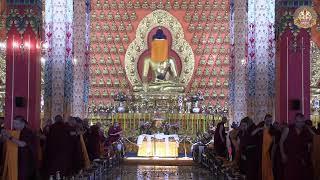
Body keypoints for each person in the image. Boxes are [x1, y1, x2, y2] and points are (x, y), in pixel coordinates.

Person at [1, 116, 37, 180]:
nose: (14, 125)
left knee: (24, 176)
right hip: (17, 159)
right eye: (14, 123)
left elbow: (22, 144)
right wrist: (4, 135)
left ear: (23, 123)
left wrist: (10, 137)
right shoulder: (15, 132)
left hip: (26, 160)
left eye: (16, 124)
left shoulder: (28, 132)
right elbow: (6, 141)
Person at [280, 113, 313, 180]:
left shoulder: (305, 131)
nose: (299, 124)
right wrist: (283, 154)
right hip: (290, 158)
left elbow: (314, 139)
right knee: (289, 176)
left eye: (302, 122)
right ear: (295, 121)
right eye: (298, 122)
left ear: (304, 122)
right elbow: (281, 142)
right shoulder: (288, 129)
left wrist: (309, 128)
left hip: (301, 159)